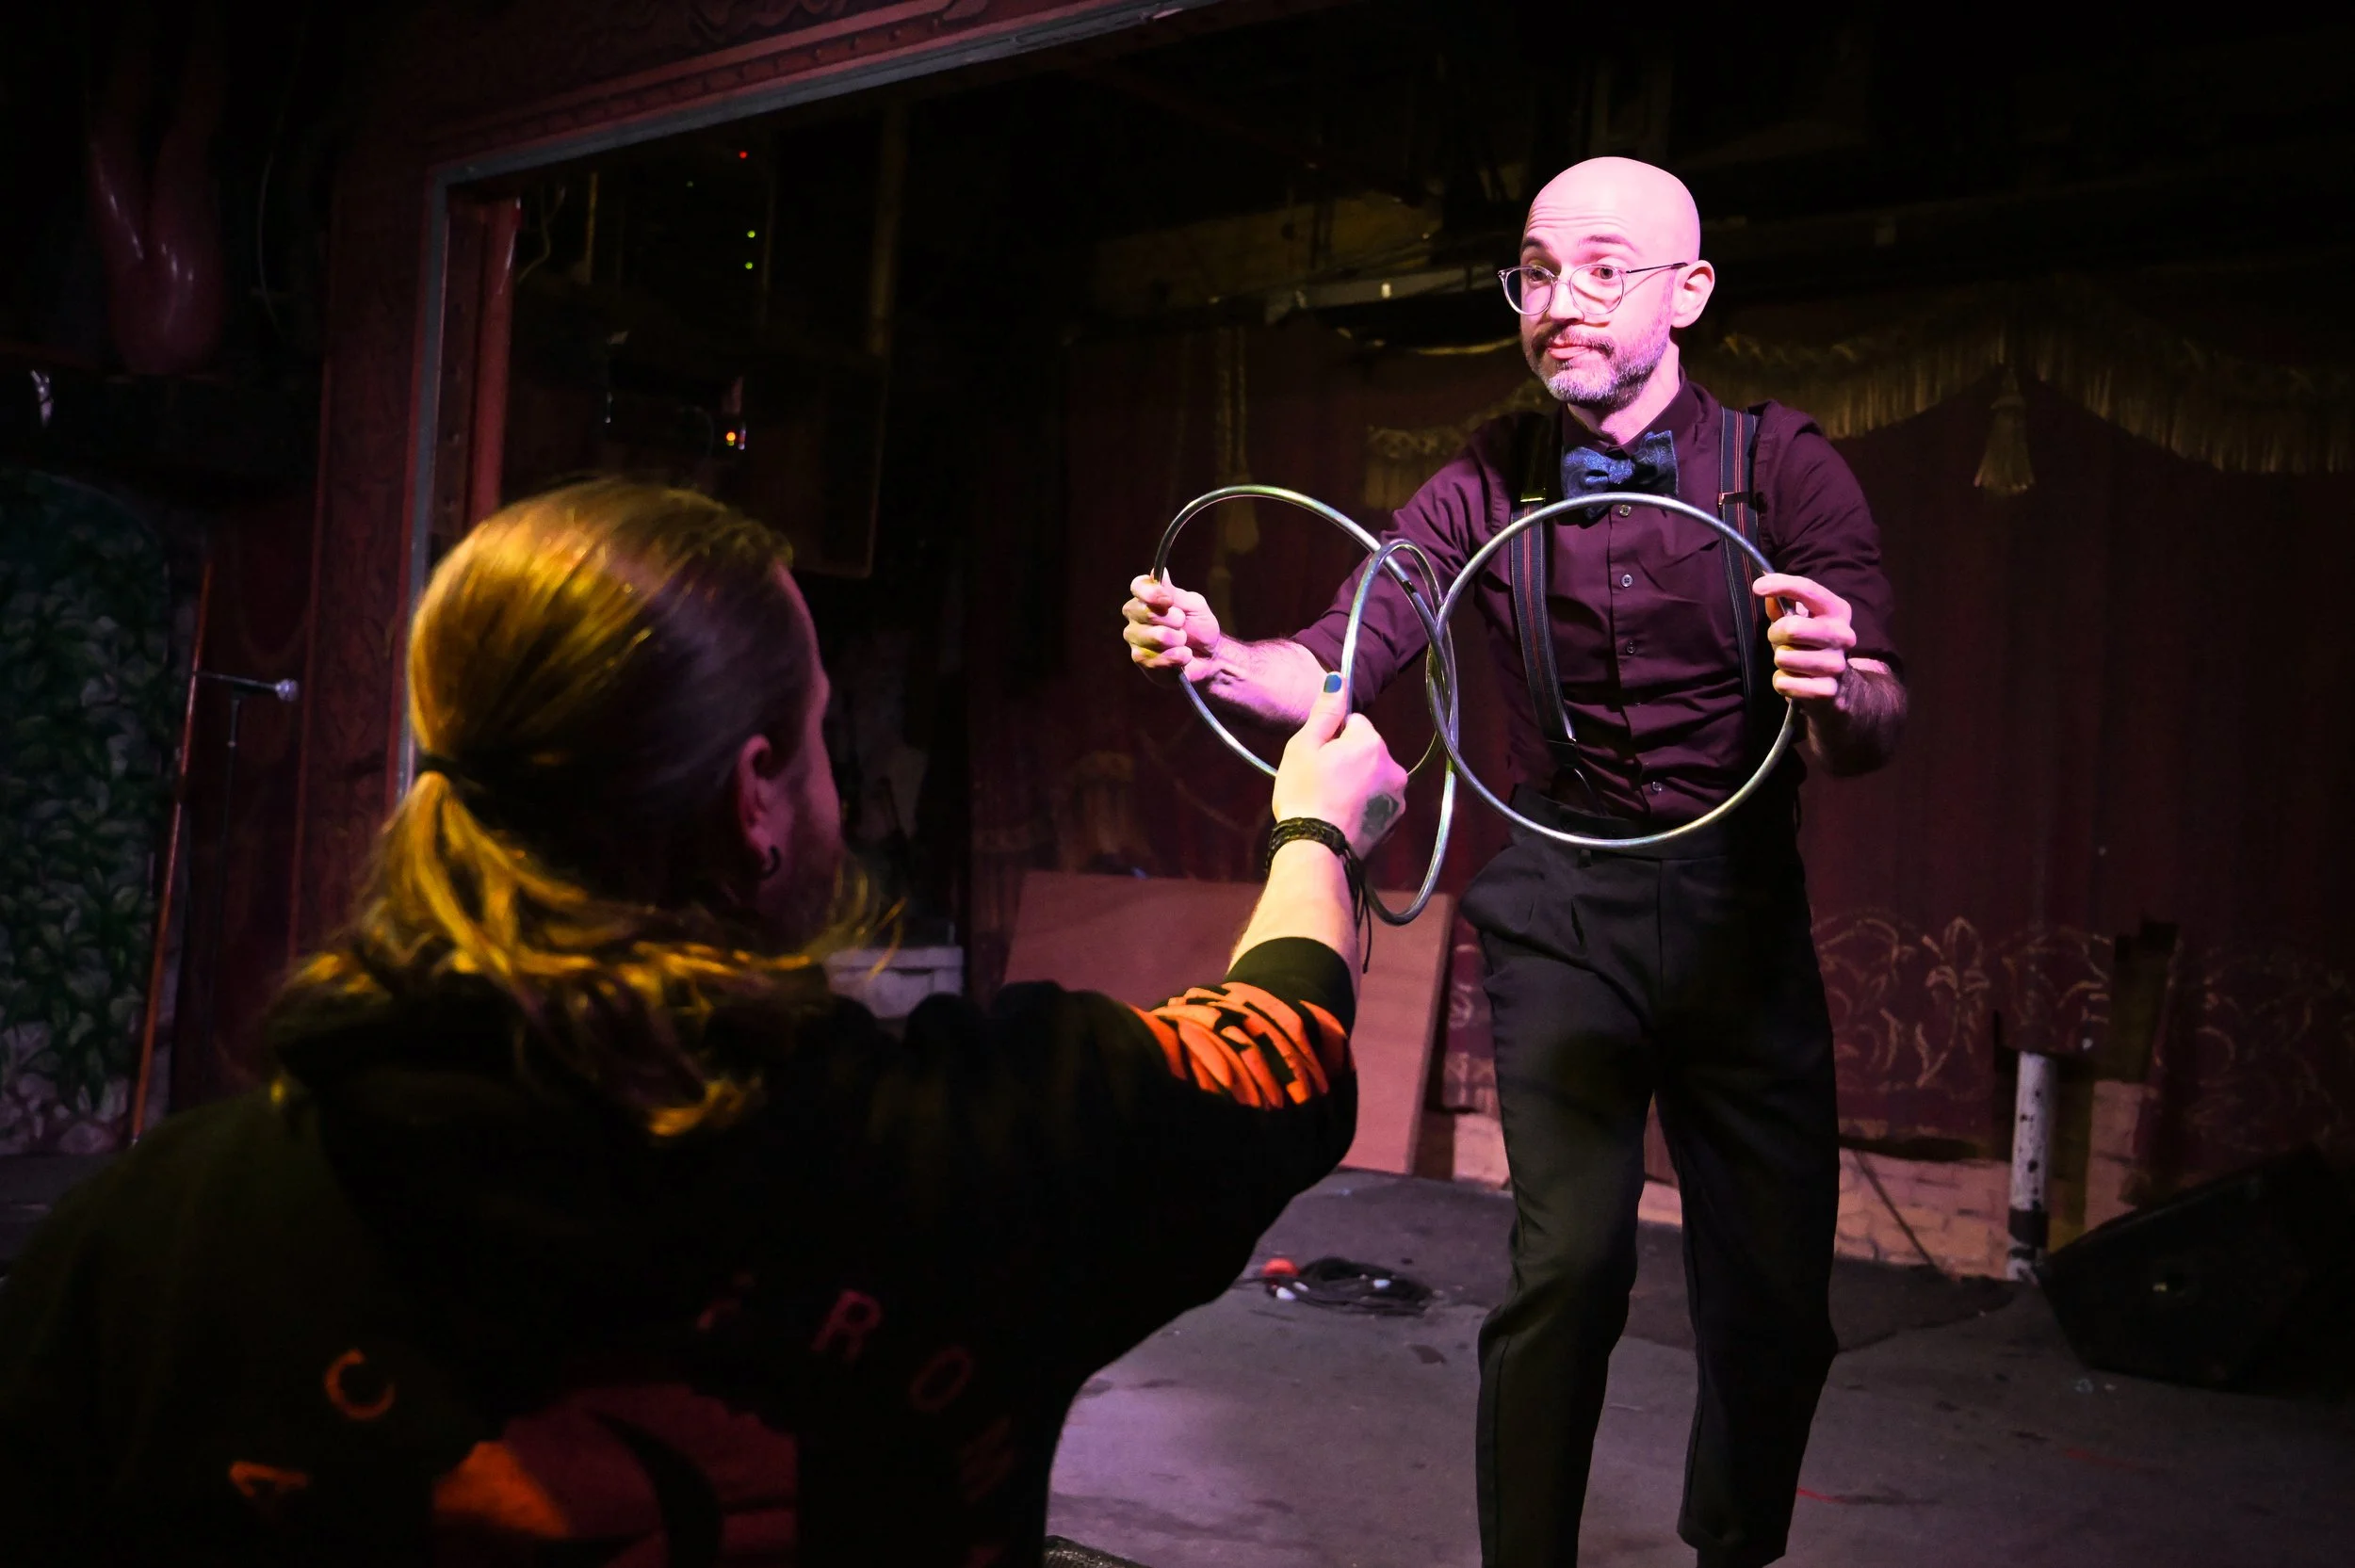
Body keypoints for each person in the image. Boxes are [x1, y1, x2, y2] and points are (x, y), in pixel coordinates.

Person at [0, 477, 1409, 1566]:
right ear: (755, 796)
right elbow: (1275, 1044)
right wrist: (1318, 831)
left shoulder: (134, 1256)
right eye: (814, 738)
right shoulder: (976, 1148)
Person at [1122, 157, 1906, 1566]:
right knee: (1570, 1270)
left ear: (1689, 292)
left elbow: (1878, 715)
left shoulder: (1784, 466)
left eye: (1601, 270)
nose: (1559, 304)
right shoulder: (1487, 477)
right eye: (1536, 274)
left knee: (1776, 1304)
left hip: (1740, 913)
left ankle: (1736, 1548)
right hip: (1563, 902)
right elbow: (1347, 652)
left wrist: (1837, 681)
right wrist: (1222, 656)